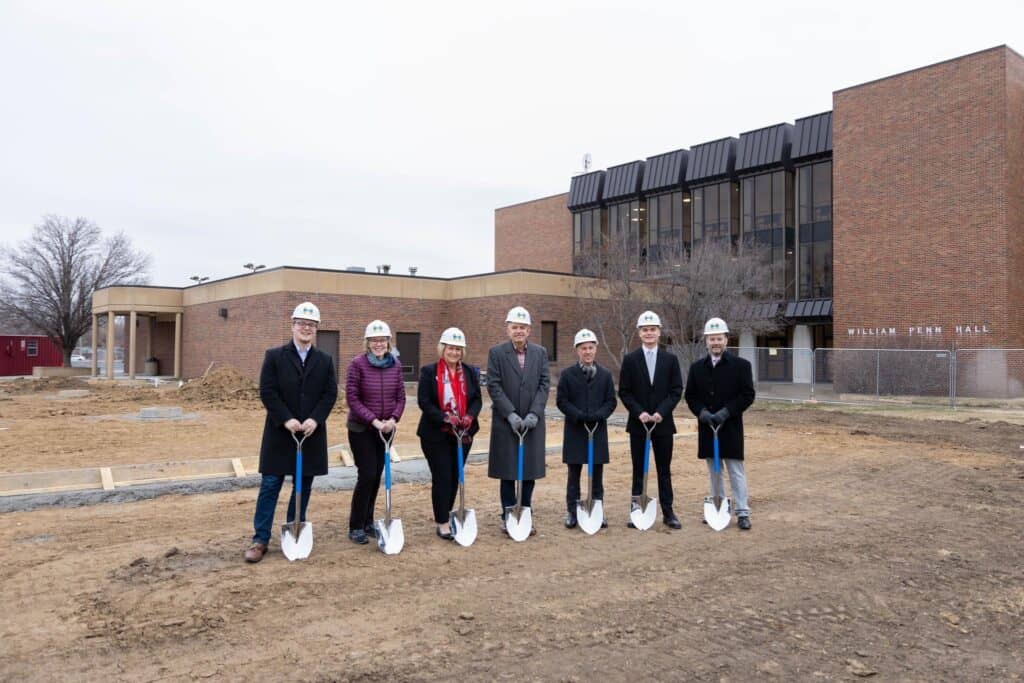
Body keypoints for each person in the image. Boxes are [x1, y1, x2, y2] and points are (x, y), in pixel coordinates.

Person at [245, 301, 338, 563]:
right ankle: (260, 539)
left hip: (310, 434)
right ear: (293, 326)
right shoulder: (274, 356)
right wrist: (286, 419)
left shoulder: (325, 360)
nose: (306, 328)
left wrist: (315, 420)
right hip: (280, 432)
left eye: (311, 325)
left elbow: (330, 393)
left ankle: (293, 528)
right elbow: (268, 391)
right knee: (271, 484)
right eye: (302, 324)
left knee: (303, 485)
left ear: (316, 329)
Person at [684, 317, 756, 530]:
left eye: (719, 338)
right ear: (706, 341)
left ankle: (742, 512)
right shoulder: (697, 368)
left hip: (730, 426)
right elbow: (691, 396)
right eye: (711, 339)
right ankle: (718, 507)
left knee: (735, 470)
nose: (715, 342)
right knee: (714, 470)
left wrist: (727, 412)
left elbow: (747, 395)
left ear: (726, 339)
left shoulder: (741, 366)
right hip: (708, 427)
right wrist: (702, 413)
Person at [618, 310, 684, 529]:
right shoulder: (630, 360)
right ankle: (637, 511)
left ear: (659, 332)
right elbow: (625, 392)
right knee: (639, 469)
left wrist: (661, 412)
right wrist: (639, 413)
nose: (649, 333)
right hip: (638, 425)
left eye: (652, 330)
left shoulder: (670, 359)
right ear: (639, 333)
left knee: (664, 470)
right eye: (645, 330)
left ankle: (668, 512)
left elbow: (676, 390)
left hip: (663, 424)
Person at [486, 305, 550, 532]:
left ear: (529, 330)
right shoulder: (496, 353)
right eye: (515, 327)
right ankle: (508, 514)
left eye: (523, 327)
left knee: (528, 471)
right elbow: (493, 385)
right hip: (506, 423)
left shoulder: (540, 353)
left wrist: (534, 413)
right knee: (508, 471)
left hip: (532, 423)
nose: (519, 331)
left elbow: (544, 384)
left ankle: (525, 511)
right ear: (508, 329)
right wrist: (510, 413)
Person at [416, 327, 482, 539]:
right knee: (442, 476)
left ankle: (449, 512)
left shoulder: (471, 372)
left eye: (458, 349)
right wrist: (445, 418)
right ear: (442, 349)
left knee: (455, 476)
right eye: (450, 348)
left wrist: (470, 416)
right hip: (436, 433)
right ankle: (442, 522)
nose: (454, 352)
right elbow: (424, 402)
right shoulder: (429, 371)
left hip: (463, 433)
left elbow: (477, 399)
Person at [345, 319, 406, 545]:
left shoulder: (396, 365)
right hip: (362, 428)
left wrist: (393, 418)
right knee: (367, 474)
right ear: (367, 342)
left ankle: (369, 521)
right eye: (374, 340)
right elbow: (352, 398)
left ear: (388, 342)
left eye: (382, 340)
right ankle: (356, 525)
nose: (378, 344)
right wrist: (375, 421)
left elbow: (401, 396)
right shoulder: (357, 364)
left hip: (387, 429)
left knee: (377, 474)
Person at [556, 329, 617, 529]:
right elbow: (562, 401)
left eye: (591, 348)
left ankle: (597, 510)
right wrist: (578, 415)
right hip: (575, 430)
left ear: (596, 349)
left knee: (597, 474)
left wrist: (600, 415)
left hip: (597, 430)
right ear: (577, 350)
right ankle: (572, 512)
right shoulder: (567, 375)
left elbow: (611, 401)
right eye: (584, 348)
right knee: (574, 474)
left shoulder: (606, 375)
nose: (588, 352)